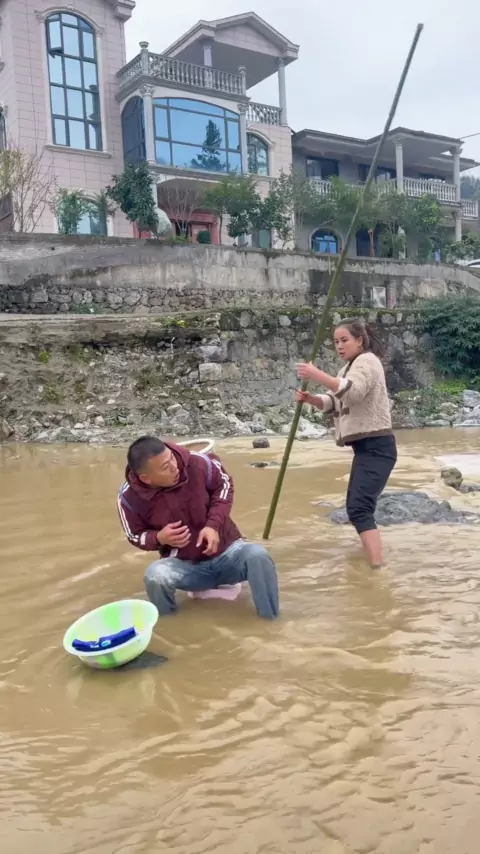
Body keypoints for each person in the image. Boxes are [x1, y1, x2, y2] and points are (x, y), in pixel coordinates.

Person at [117, 436, 279, 619]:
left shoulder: (198, 462)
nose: (174, 467)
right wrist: (159, 538)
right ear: (146, 479)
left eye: (171, 458)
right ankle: (168, 626)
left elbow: (224, 485)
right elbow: (134, 535)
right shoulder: (128, 497)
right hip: (186, 566)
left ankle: (270, 621)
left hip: (228, 553)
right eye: (165, 467)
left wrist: (213, 525)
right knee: (155, 576)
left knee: (258, 556)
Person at [295, 318, 397, 568]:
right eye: (336, 342)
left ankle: (377, 566)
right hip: (365, 449)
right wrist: (311, 399)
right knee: (357, 508)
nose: (339, 346)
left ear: (359, 340)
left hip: (377, 447)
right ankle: (372, 557)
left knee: (359, 508)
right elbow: (333, 400)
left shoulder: (368, 361)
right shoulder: (346, 369)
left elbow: (352, 392)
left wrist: (317, 374)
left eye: (344, 340)